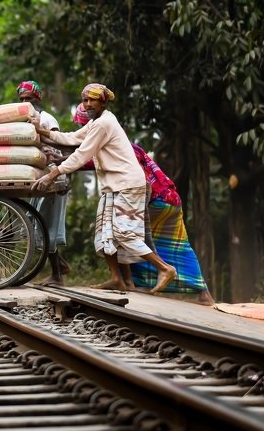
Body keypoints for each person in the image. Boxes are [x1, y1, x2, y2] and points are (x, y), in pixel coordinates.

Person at [32, 83, 177, 293]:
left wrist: (52, 175)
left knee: (124, 233)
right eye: (85, 100)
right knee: (104, 234)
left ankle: (164, 268)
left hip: (127, 184)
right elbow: (72, 137)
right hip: (113, 186)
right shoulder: (96, 122)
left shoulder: (103, 124)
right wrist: (41, 131)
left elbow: (81, 154)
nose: (88, 104)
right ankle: (117, 278)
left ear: (103, 102)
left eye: (93, 100)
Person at [71, 104, 215, 305]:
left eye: (84, 127)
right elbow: (83, 160)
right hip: (170, 199)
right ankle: (204, 294)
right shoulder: (120, 145)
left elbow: (83, 160)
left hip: (154, 199)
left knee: (116, 231)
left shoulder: (116, 147)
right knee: (179, 246)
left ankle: (127, 280)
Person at [17, 80, 71, 286]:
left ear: (37, 99)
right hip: (40, 177)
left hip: (55, 177)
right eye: (22, 99)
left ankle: (57, 275)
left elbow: (61, 144)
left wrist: (67, 176)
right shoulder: (22, 120)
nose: (25, 102)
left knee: (48, 225)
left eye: (29, 98)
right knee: (38, 223)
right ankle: (60, 266)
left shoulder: (47, 119)